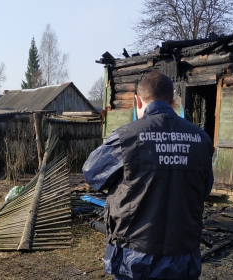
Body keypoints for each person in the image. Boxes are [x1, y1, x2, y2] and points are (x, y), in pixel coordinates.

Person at [83, 72, 214, 280]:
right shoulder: (201, 139)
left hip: (135, 256)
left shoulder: (127, 137)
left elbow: (92, 173)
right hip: (183, 254)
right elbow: (205, 189)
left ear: (138, 101)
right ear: (173, 102)